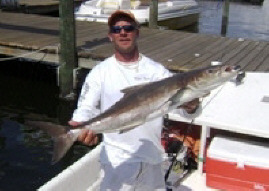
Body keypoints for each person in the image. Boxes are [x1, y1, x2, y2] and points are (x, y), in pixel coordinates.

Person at [69, 10, 200, 191]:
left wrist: (192, 106)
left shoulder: (157, 72)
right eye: (117, 29)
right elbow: (86, 108)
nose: (123, 32)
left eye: (128, 28)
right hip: (116, 163)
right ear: (110, 36)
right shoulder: (100, 72)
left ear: (137, 32)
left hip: (152, 161)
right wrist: (78, 127)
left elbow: (180, 109)